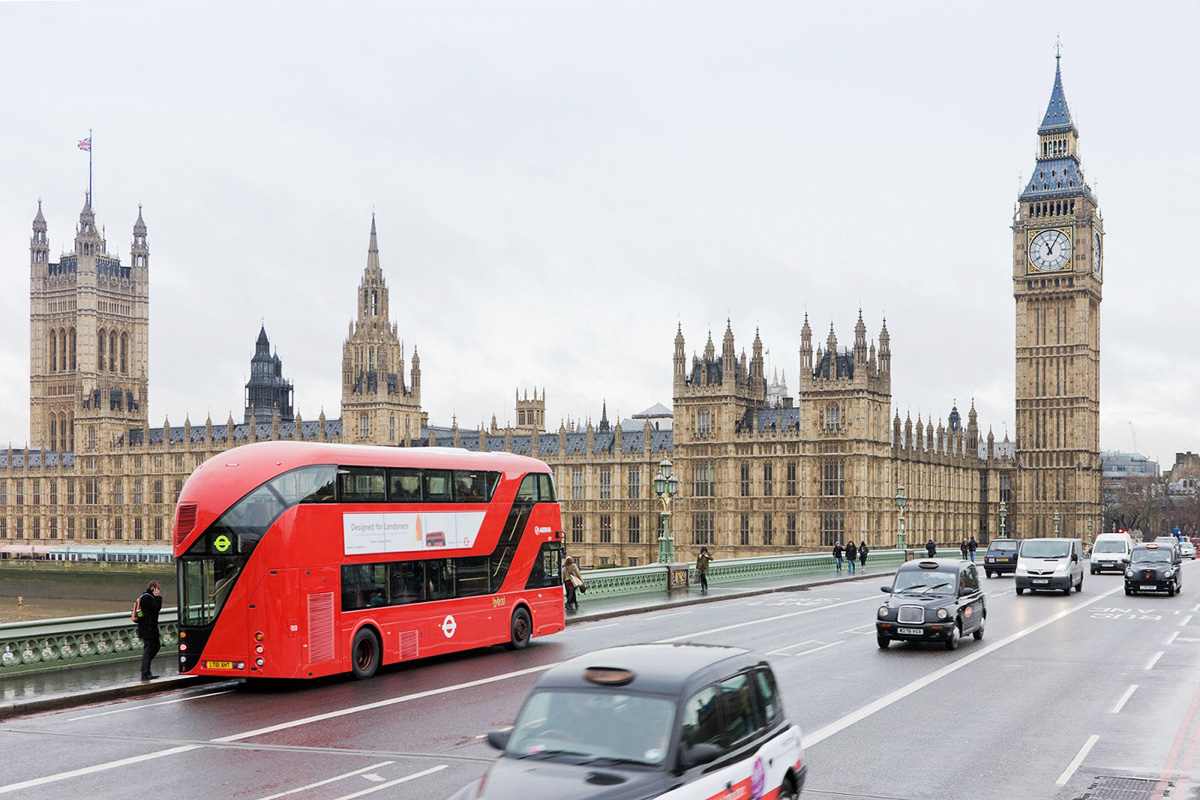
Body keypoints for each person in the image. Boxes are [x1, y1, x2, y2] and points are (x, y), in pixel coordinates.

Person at [136, 579, 163, 681]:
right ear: (152, 588)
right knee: (149, 650)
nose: (159, 591)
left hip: (148, 629)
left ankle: (146, 669)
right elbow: (156, 609)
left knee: (155, 646)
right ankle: (145, 672)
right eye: (157, 589)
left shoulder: (145, 597)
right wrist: (159, 598)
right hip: (148, 629)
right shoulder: (148, 598)